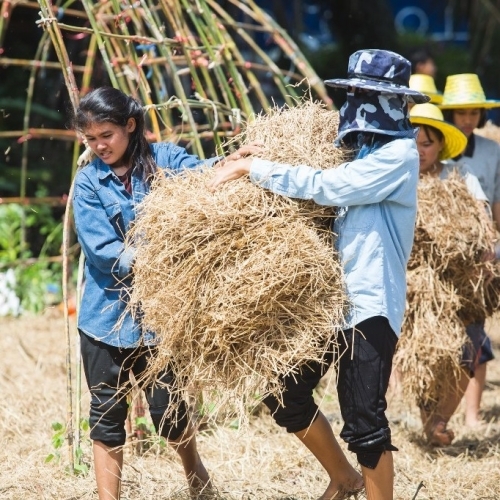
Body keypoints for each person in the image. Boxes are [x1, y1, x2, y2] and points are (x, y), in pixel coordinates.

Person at [209, 49, 429, 500]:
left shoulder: (400, 154)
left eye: (372, 95)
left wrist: (256, 169)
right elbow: (310, 163)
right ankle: (344, 478)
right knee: (283, 392)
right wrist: (259, 151)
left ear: (396, 101)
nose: (361, 103)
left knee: (364, 418)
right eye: (357, 93)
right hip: (329, 303)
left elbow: (331, 187)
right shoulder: (358, 147)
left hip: (369, 306)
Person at [71, 86, 256, 500]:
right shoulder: (88, 184)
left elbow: (202, 174)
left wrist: (235, 161)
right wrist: (159, 253)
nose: (100, 145)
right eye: (91, 139)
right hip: (104, 319)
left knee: (167, 411)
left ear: (130, 125)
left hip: (160, 318)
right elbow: (103, 253)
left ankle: (195, 473)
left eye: (107, 135)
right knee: (106, 415)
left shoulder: (165, 160)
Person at [408, 102, 489, 445]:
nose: (420, 151)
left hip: (461, 285)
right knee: (426, 355)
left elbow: (484, 225)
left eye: (427, 143)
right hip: (416, 285)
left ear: (440, 143)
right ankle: (433, 425)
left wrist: (482, 261)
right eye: (413, 144)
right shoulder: (400, 180)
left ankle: (440, 420)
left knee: (469, 349)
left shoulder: (460, 178)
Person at [440, 73, 500, 429]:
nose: (467, 118)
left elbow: (496, 204)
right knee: (444, 338)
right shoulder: (434, 151)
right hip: (445, 257)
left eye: (473, 112)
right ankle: (437, 413)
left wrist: (493, 249)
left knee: (476, 334)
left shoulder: (493, 151)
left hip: (481, 257)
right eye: (461, 112)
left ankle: (473, 415)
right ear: (450, 115)